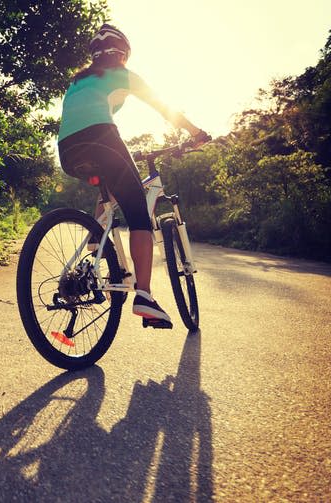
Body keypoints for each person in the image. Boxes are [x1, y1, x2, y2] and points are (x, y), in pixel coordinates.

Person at [57, 23, 209, 325]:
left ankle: (95, 238)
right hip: (101, 137)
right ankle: (145, 295)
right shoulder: (125, 75)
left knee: (112, 190)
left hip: (67, 150)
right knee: (139, 212)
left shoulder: (77, 81)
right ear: (124, 55)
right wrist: (195, 131)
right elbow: (164, 107)